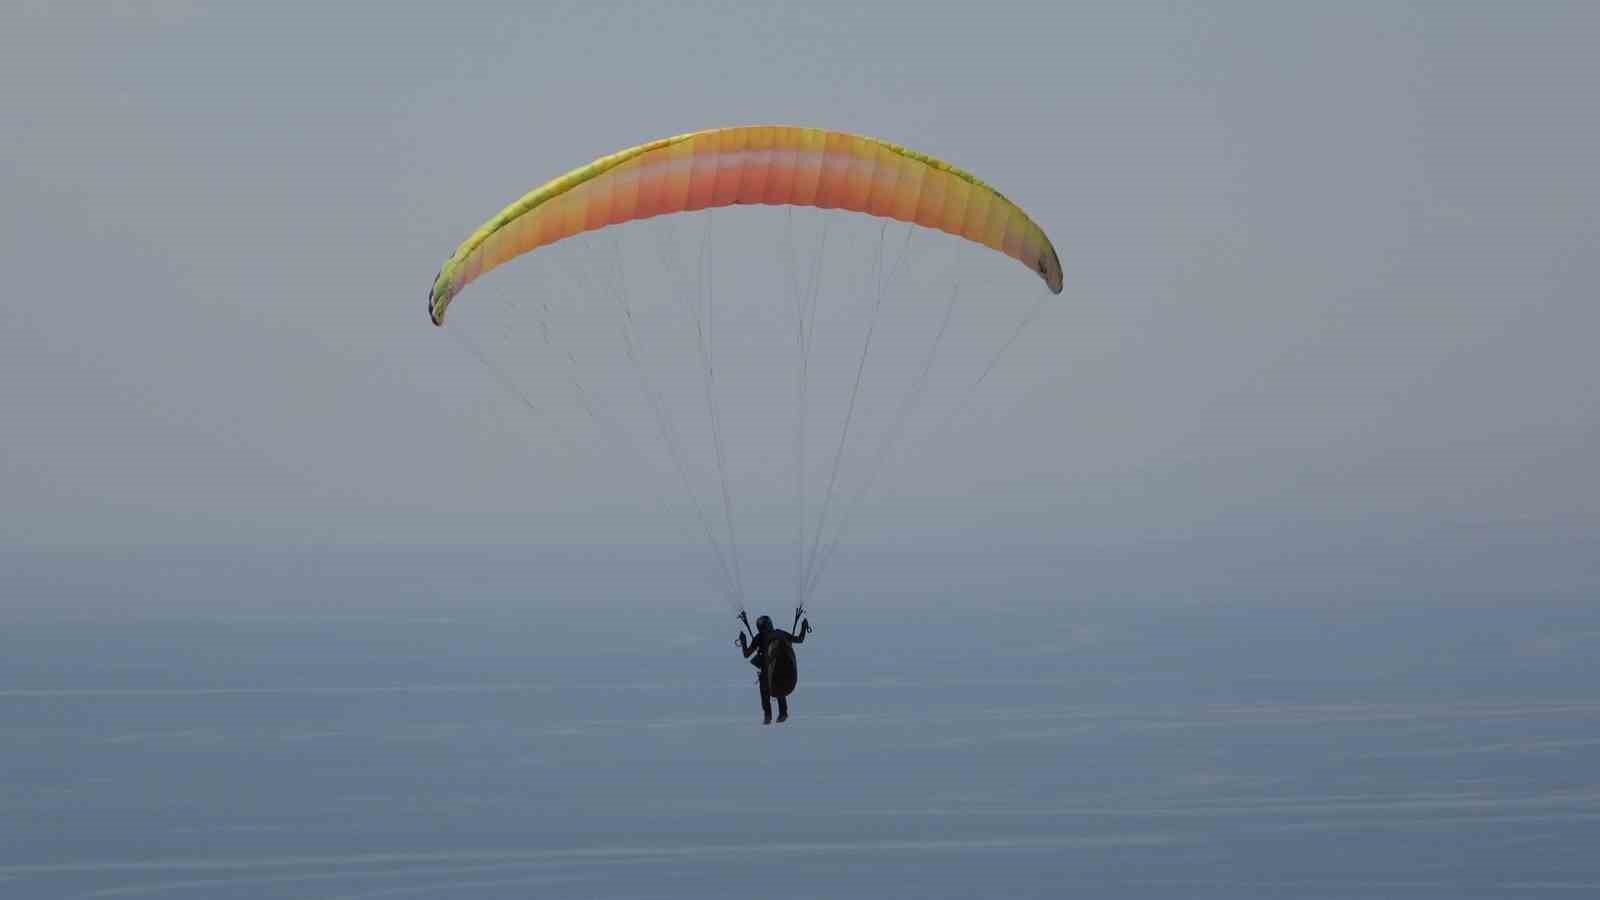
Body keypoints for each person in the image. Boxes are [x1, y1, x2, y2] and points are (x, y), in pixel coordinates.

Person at [738, 610, 811, 724]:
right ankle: (783, 713)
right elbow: (799, 639)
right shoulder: (780, 633)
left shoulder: (759, 637)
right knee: (778, 680)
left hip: (768, 674)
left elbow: (746, 654)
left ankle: (768, 715)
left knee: (765, 688)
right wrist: (803, 626)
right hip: (782, 675)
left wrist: (743, 641)